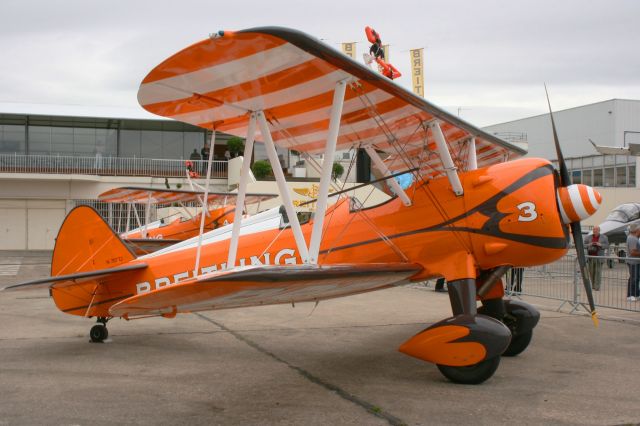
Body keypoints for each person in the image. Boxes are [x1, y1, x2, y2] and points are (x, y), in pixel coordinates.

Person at [583, 225, 609, 291]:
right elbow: (583, 245)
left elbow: (607, 245)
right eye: (594, 229)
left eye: (596, 229)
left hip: (599, 257)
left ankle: (597, 286)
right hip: (590, 257)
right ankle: (593, 285)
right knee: (591, 272)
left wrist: (600, 245)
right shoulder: (588, 237)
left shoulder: (604, 237)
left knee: (598, 272)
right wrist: (589, 244)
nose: (595, 231)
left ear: (599, 230)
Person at [625, 223, 640, 301]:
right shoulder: (633, 238)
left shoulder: (634, 237)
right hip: (633, 262)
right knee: (634, 278)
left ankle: (636, 294)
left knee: (636, 278)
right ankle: (630, 295)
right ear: (636, 230)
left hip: (635, 261)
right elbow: (632, 252)